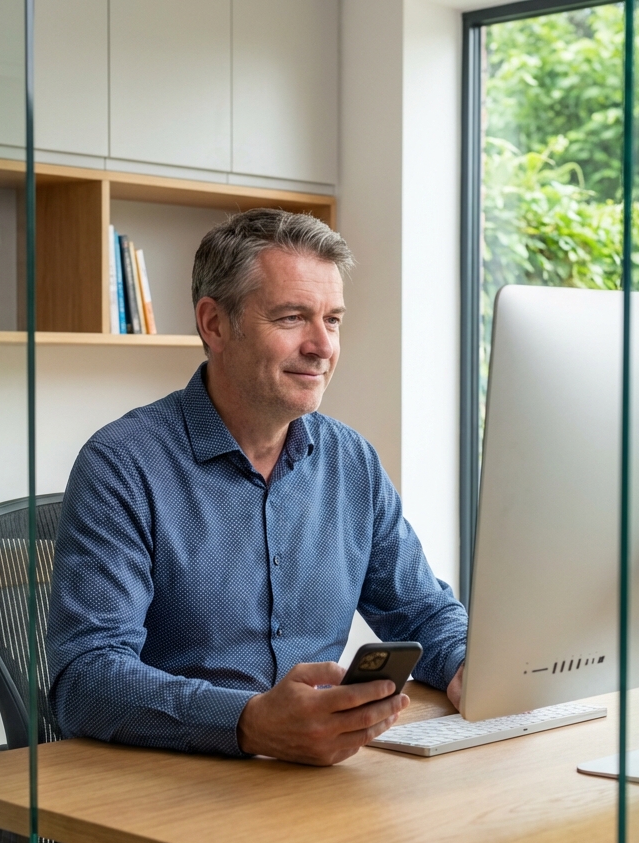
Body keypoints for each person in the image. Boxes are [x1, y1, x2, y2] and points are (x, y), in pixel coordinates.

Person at [48, 208, 467, 768]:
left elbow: (422, 612)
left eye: (333, 320)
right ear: (214, 324)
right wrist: (246, 722)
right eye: (293, 318)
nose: (322, 346)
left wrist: (467, 666)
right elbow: (85, 677)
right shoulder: (122, 464)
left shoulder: (351, 462)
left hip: (310, 779)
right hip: (168, 785)